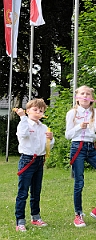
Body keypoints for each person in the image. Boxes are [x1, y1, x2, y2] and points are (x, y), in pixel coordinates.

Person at [65, 85, 96, 228]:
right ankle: (78, 214)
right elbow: (68, 135)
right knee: (79, 182)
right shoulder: (72, 113)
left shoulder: (94, 112)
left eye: (88, 94)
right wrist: (79, 126)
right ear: (77, 97)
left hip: (90, 148)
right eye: (82, 93)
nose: (85, 96)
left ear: (92, 98)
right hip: (77, 148)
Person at [14, 98, 54, 232]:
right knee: (23, 192)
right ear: (28, 111)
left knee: (36, 191)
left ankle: (35, 217)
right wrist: (23, 118)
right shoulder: (24, 124)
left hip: (39, 161)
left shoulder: (43, 127)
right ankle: (20, 221)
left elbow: (46, 147)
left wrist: (51, 139)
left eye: (41, 110)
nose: (38, 112)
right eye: (35, 110)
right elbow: (23, 135)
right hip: (27, 160)